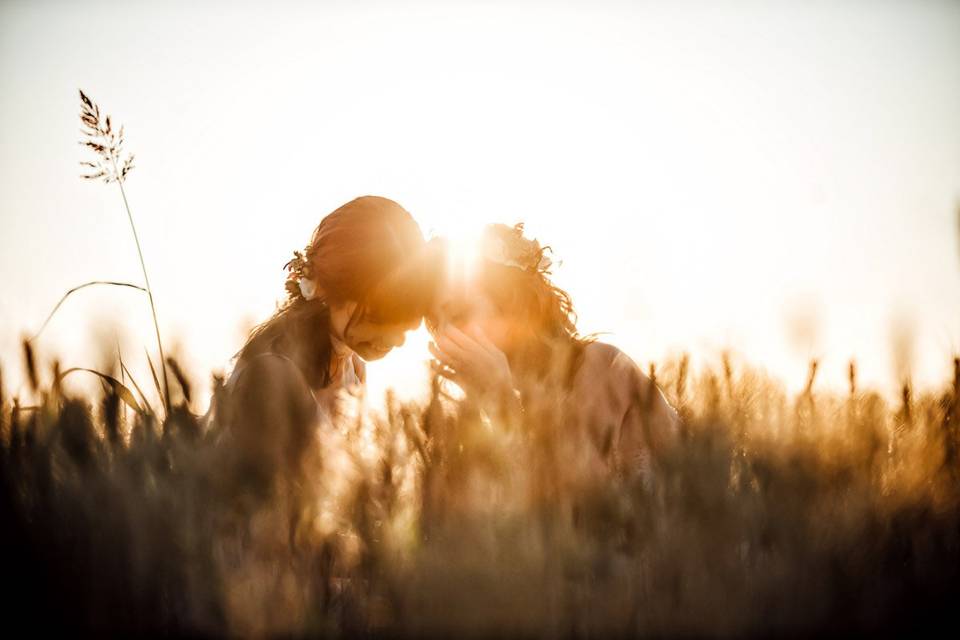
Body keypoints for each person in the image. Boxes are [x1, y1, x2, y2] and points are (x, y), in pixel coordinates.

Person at [204, 195, 437, 491]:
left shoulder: (352, 367)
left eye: (407, 320)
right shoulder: (270, 373)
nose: (397, 339)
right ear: (330, 288)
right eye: (381, 316)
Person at [427, 223, 680, 487]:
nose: (446, 334)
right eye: (435, 323)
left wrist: (500, 399)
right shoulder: (496, 401)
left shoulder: (600, 365)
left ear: (510, 305)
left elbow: (578, 503)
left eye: (458, 314)